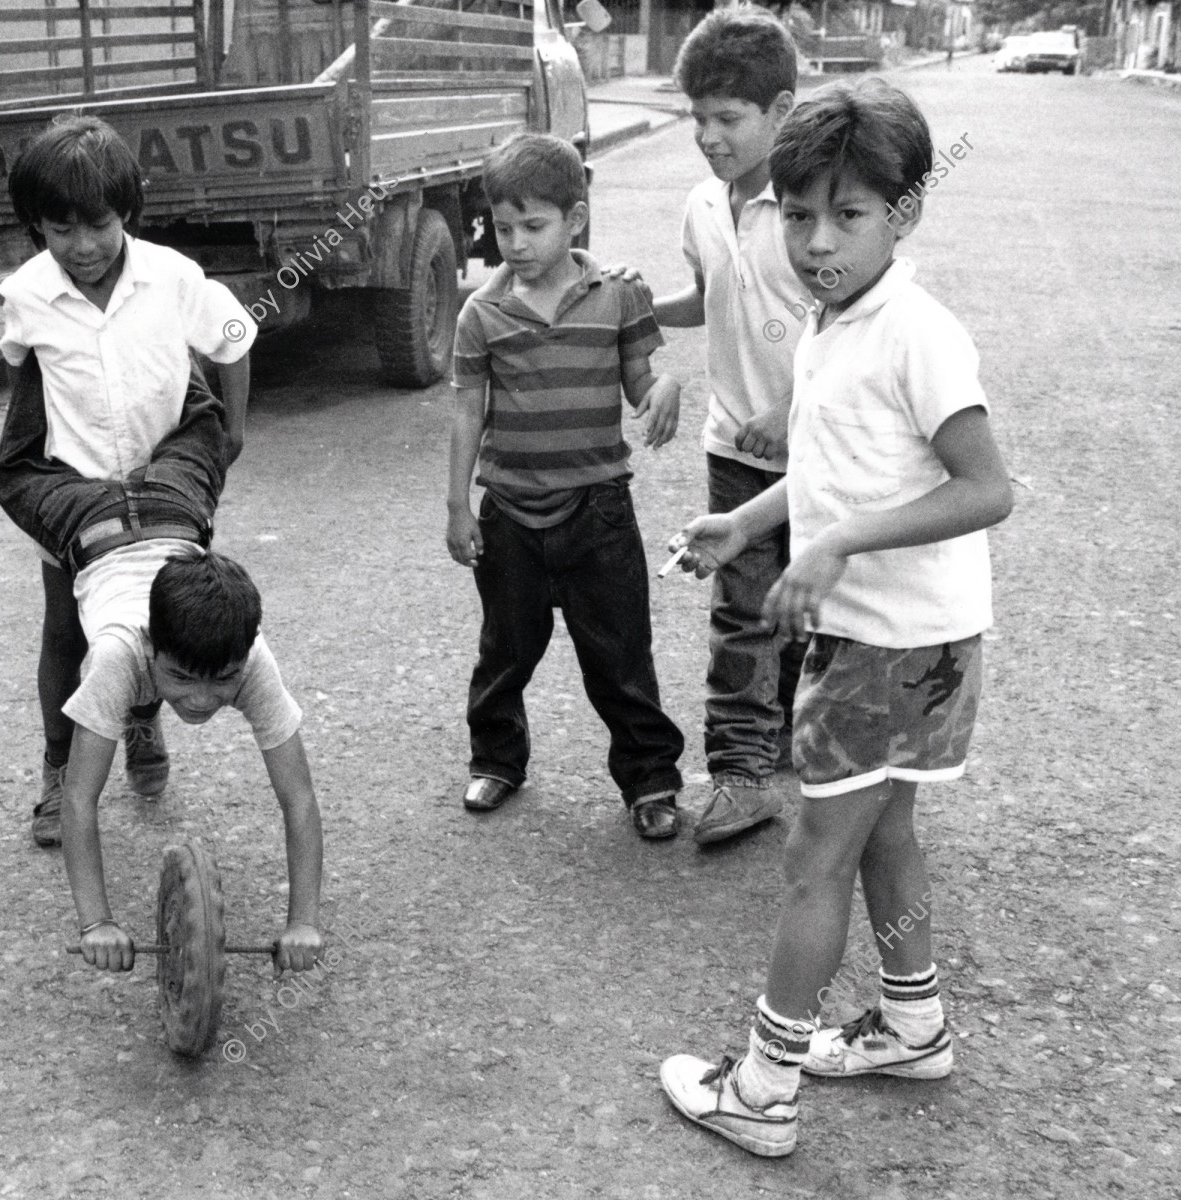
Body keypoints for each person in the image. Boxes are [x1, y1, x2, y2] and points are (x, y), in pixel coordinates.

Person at [657, 77, 1013, 1157]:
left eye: (849, 216)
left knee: (817, 857)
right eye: (801, 213)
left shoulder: (918, 333)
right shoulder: (836, 319)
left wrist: (840, 546)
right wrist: (749, 518)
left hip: (886, 645)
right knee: (886, 832)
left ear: (904, 214)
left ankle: (763, 1089)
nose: (818, 240)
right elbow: (833, 466)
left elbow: (985, 487)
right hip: (917, 640)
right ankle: (913, 1023)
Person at [0, 352, 325, 975]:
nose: (201, 700)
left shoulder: (249, 656)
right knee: (15, 470)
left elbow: (299, 799)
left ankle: (163, 316)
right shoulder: (120, 653)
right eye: (182, 681)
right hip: (86, 520)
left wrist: (304, 919)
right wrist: (96, 921)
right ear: (152, 650)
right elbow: (80, 800)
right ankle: (36, 346)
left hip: (176, 507)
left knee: (202, 419)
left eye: (220, 683)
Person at [0, 113, 255, 846]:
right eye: (60, 229)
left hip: (165, 489)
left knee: (159, 620)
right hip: (74, 498)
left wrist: (230, 432)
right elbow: (22, 375)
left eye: (99, 225)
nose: (82, 246)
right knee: (65, 632)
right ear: (36, 227)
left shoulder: (171, 277)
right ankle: (56, 775)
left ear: (128, 213)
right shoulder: (28, 295)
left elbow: (234, 338)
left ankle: (142, 722)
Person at [445, 132, 688, 838]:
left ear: (575, 219)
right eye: (502, 226)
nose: (515, 242)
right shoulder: (480, 314)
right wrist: (458, 505)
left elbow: (642, 381)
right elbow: (467, 409)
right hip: (509, 515)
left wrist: (664, 383)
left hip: (600, 509)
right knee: (504, 650)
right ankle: (496, 760)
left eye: (534, 225)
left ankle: (649, 780)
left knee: (620, 654)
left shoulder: (618, 295)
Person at [652, 5, 811, 845]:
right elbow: (708, 295)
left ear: (781, 111)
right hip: (732, 450)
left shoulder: (812, 213)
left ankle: (798, 746)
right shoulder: (702, 208)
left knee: (811, 606)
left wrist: (793, 409)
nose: (709, 137)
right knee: (741, 610)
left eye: (728, 119)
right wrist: (637, 304)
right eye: (697, 120)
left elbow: (845, 324)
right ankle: (741, 774)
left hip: (824, 455)